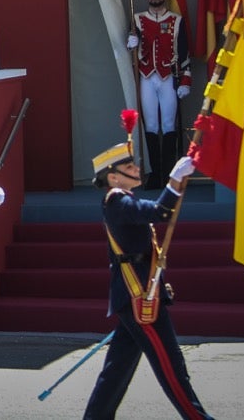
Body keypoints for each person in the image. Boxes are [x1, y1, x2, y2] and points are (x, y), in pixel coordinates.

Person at [82, 138, 211, 419]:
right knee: (171, 368)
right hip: (138, 296)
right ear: (113, 177)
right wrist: (175, 180)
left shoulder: (124, 200)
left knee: (116, 370)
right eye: (129, 166)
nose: (137, 168)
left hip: (136, 293)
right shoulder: (117, 201)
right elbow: (161, 213)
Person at [126, 0, 190, 188]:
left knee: (169, 124)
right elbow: (129, 48)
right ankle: (154, 174)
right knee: (151, 125)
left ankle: (169, 175)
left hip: (169, 77)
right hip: (146, 77)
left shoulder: (176, 20)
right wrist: (131, 43)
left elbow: (183, 53)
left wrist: (185, 80)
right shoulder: (137, 19)